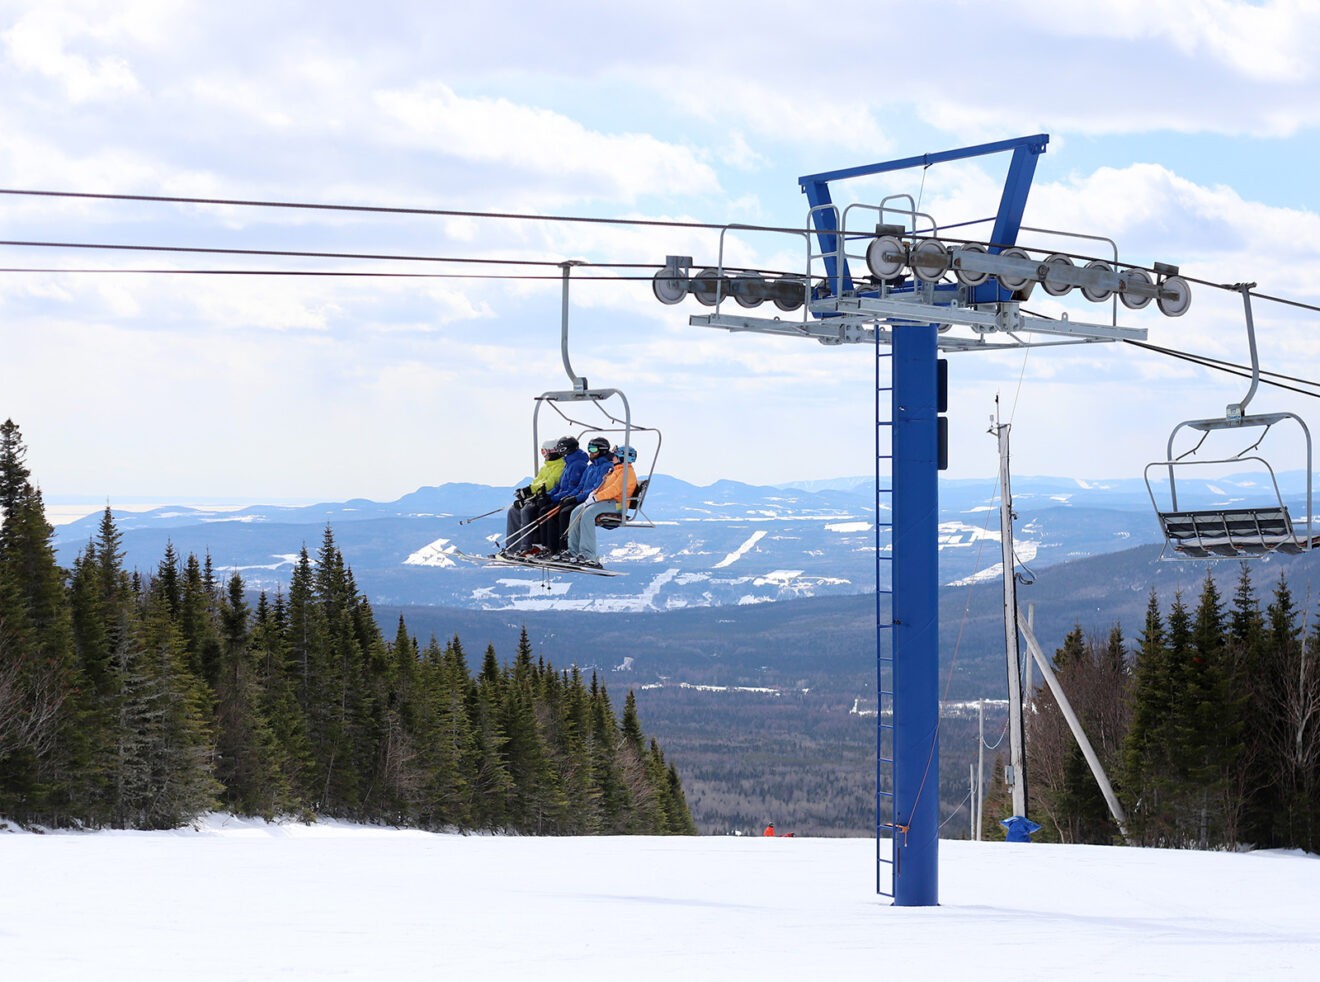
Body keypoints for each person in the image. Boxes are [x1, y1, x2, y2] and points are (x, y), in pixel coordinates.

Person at [564, 444, 638, 568]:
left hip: (619, 505)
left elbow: (614, 490)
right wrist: (594, 493)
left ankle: (588, 555)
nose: (612, 457)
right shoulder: (616, 470)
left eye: (615, 455)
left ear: (622, 457)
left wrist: (596, 498)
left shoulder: (627, 473)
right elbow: (605, 487)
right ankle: (573, 551)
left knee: (588, 513)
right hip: (607, 502)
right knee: (576, 511)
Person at [548, 436, 613, 557]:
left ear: (602, 450)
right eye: (589, 448)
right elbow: (580, 487)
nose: (590, 452)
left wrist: (576, 498)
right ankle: (553, 549)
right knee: (558, 509)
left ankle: (566, 548)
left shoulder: (605, 467)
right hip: (583, 498)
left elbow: (596, 488)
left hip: (593, 500)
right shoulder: (591, 466)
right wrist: (569, 497)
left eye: (593, 449)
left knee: (565, 512)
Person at [502, 439, 565, 558]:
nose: (543, 455)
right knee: (513, 511)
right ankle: (512, 548)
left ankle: (526, 547)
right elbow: (536, 483)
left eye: (544, 451)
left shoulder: (560, 466)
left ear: (552, 451)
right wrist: (525, 494)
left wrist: (530, 491)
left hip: (547, 498)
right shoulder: (545, 468)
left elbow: (550, 484)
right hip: (537, 497)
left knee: (527, 510)